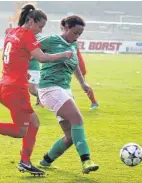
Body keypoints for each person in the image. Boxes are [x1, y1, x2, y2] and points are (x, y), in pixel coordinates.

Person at [0, 4, 73, 176]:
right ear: (30, 21)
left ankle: (25, 161)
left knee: (34, 123)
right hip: (16, 89)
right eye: (39, 26)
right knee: (20, 131)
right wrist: (63, 55)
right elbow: (42, 57)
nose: (40, 31)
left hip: (5, 85)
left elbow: (18, 55)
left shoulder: (13, 33)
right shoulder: (26, 35)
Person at [37, 15, 99, 174]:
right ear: (66, 28)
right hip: (49, 88)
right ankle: (86, 160)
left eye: (80, 34)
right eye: (75, 32)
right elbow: (30, 50)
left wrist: (82, 82)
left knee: (71, 136)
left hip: (64, 89)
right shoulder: (51, 40)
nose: (77, 36)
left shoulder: (74, 45)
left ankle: (45, 161)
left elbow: (75, 65)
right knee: (77, 119)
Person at [61, 18, 99, 109]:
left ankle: (94, 102)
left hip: (77, 64)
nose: (77, 35)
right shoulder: (65, 39)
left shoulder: (72, 41)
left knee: (83, 83)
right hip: (71, 64)